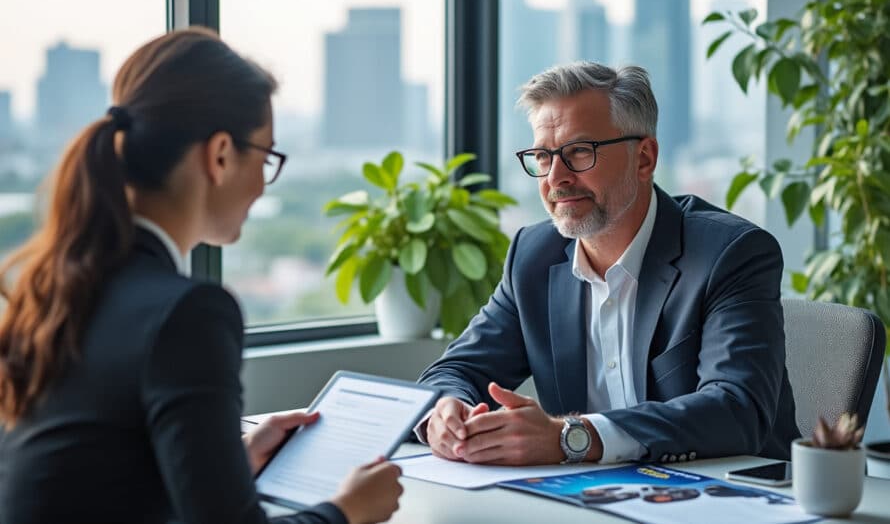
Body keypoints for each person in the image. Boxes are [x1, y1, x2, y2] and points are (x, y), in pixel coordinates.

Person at [0, 28, 401, 524]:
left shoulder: (58, 289)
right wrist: (348, 510)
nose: (262, 183)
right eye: (267, 156)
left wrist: (232, 463)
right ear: (219, 156)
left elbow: (98, 476)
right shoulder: (186, 312)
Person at [417, 61, 800, 467]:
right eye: (542, 157)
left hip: (730, 498)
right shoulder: (533, 256)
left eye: (580, 151)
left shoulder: (730, 253)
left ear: (644, 158)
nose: (556, 178)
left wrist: (572, 438)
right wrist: (447, 413)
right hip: (594, 498)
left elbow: (735, 410)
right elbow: (457, 370)